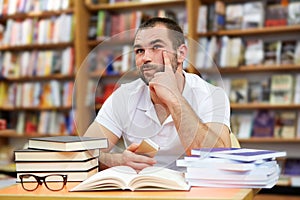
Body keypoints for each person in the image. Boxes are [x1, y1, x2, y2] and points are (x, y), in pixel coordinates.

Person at [84, 17, 231, 171]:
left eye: (156, 47)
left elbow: (218, 160)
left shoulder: (212, 95)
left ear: (181, 54)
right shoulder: (123, 97)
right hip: (141, 191)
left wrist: (174, 99)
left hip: (194, 192)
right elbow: (83, 154)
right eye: (140, 51)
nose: (145, 58)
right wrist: (117, 160)